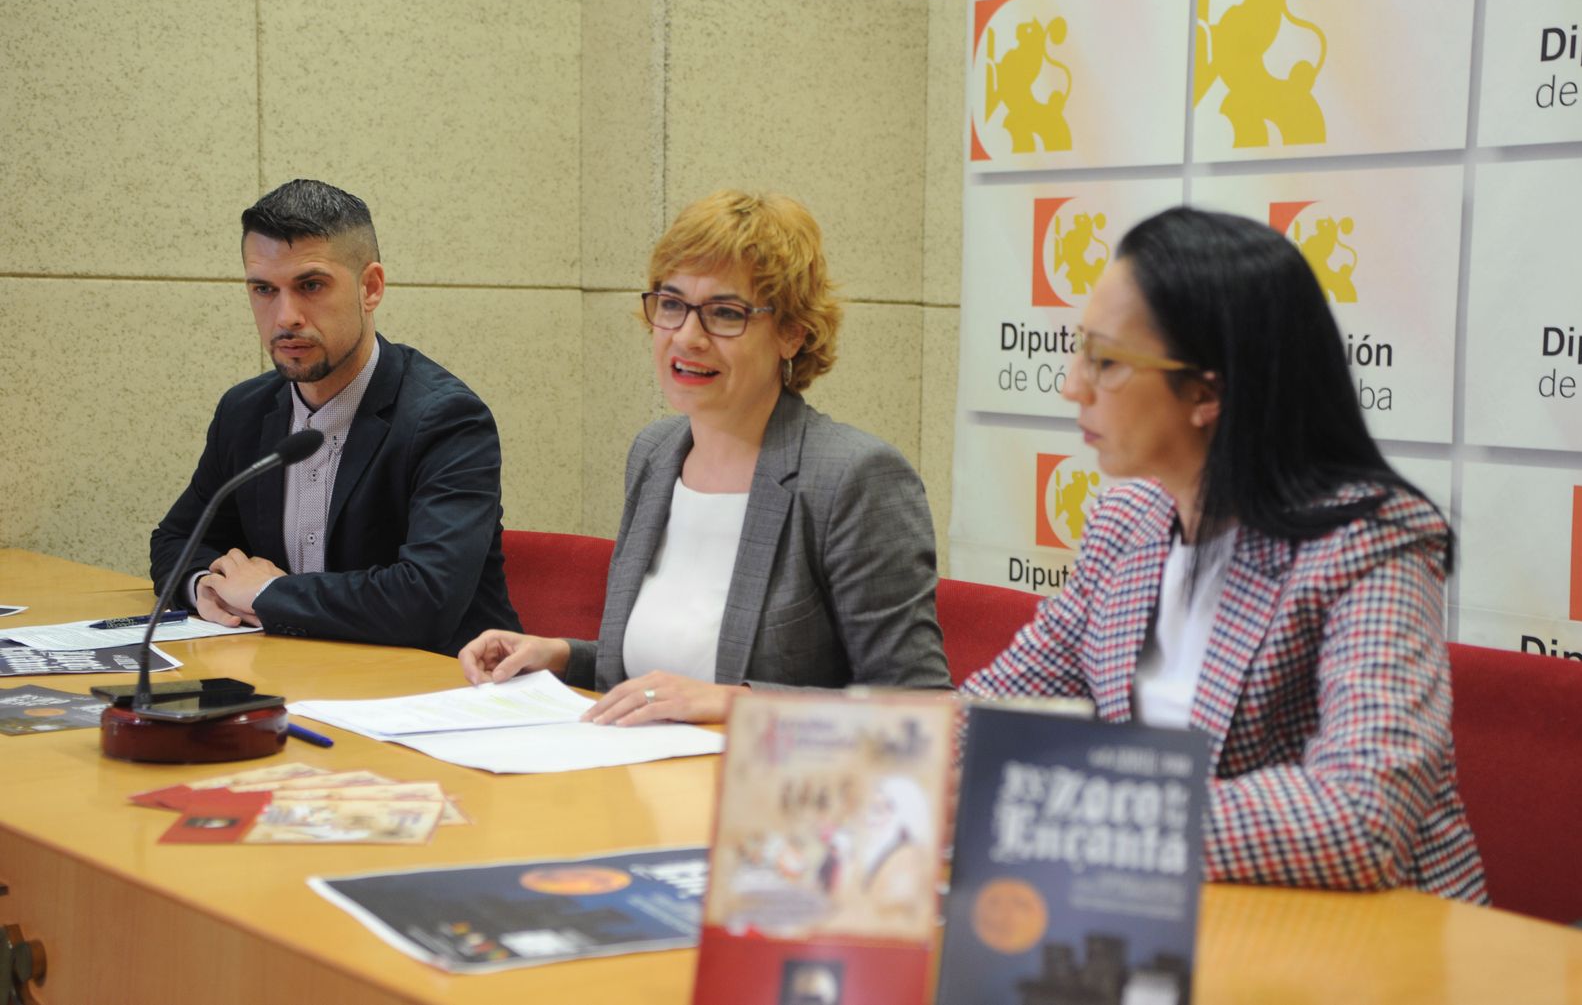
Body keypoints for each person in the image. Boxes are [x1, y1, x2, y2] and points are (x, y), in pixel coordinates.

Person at [961, 207, 1489, 901]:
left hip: (1368, 952)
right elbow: (993, 708)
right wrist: (858, 752)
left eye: (1106, 361)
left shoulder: (1370, 541)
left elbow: (1359, 817)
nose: (1071, 385)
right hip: (1175, 923)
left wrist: (1089, 818)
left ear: (1206, 391)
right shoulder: (1127, 521)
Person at [460, 190, 950, 721]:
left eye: (725, 313)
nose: (687, 337)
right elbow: (674, 674)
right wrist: (559, 656)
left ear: (791, 334)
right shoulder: (656, 453)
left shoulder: (854, 477)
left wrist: (731, 704)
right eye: (671, 304)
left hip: (768, 790)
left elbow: (920, 709)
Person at [150, 179, 520, 655]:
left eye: (311, 286)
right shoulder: (245, 412)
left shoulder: (446, 418)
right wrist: (205, 584)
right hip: (299, 676)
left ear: (371, 287)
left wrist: (267, 594)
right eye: (264, 289)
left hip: (435, 692)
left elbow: (427, 598)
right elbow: (177, 537)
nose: (285, 316)